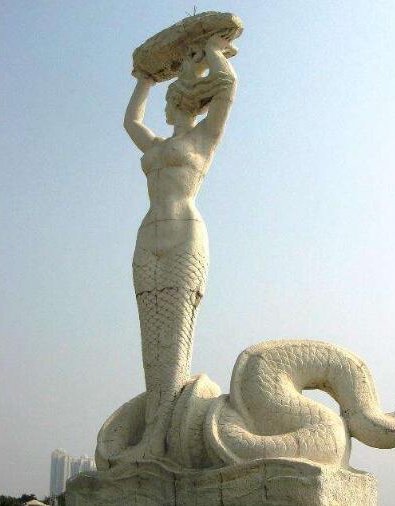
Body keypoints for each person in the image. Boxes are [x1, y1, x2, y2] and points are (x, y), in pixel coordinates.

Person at [123, 34, 236, 458]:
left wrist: (213, 51)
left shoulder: (205, 137)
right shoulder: (155, 146)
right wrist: (145, 79)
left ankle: (162, 439)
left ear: (188, 102)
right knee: (150, 345)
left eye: (172, 98)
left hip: (184, 235)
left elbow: (228, 87)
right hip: (147, 236)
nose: (167, 107)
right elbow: (131, 121)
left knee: (174, 341)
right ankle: (154, 434)